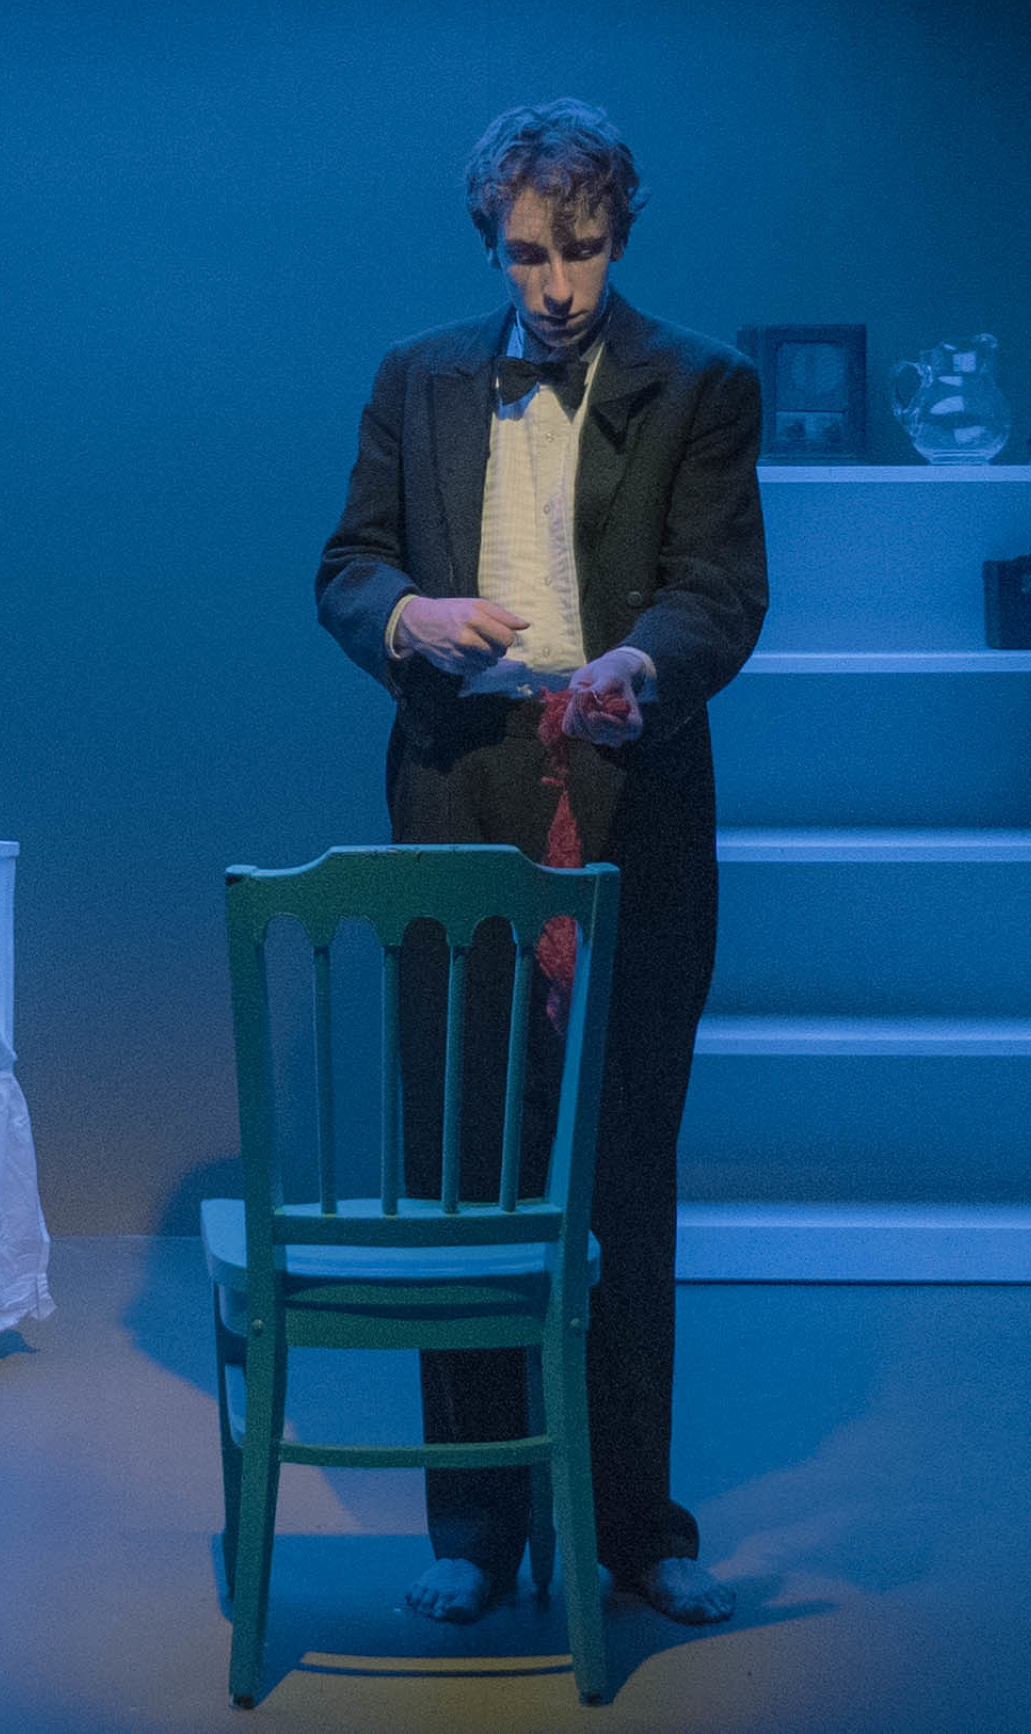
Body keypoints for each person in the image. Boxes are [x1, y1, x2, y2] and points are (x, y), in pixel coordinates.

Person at [313, 99, 766, 1629]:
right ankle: (478, 1524)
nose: (556, 285)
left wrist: (646, 662)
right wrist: (412, 616)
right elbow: (348, 565)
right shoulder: (417, 375)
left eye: (581, 250)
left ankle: (637, 1528)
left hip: (631, 793)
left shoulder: (703, 383)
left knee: (625, 1166)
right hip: (461, 793)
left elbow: (723, 589)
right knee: (461, 1171)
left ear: (619, 233)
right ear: (491, 244)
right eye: (527, 254)